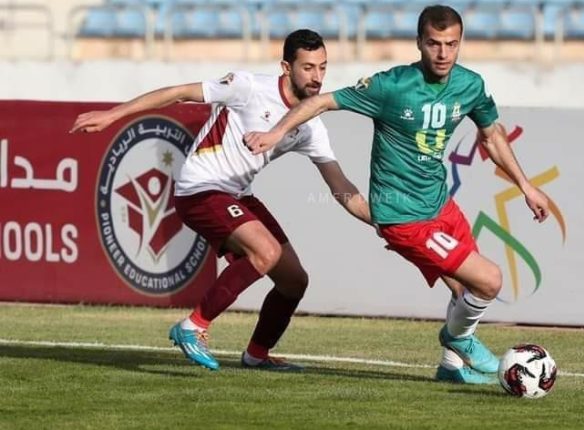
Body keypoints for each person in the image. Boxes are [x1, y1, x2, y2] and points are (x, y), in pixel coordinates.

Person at [244, 6, 550, 384]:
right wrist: (275, 133)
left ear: (460, 43)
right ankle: (457, 339)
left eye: (451, 44)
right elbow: (321, 101)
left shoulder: (470, 85)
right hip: (404, 217)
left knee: (464, 289)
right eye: (434, 43)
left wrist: (525, 185)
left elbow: (491, 136)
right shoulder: (390, 86)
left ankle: (451, 367)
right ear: (419, 42)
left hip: (440, 203)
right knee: (489, 281)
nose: (443, 53)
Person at [70, 29, 371, 371]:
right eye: (308, 67)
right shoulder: (248, 87)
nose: (317, 77)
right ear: (286, 68)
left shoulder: (310, 126)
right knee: (266, 252)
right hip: (199, 188)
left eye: (322, 67)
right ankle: (193, 326)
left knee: (294, 281)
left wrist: (382, 220)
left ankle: (256, 355)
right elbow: (179, 93)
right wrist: (112, 115)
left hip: (238, 194)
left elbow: (339, 185)